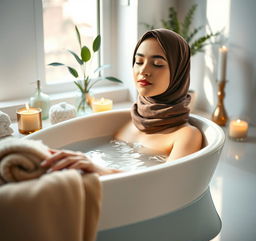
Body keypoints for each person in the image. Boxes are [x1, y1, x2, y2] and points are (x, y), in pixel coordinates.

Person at [41, 29, 202, 175]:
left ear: (178, 73)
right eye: (138, 62)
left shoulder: (187, 135)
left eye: (157, 64)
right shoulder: (130, 122)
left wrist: (101, 170)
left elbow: (165, 185)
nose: (143, 71)